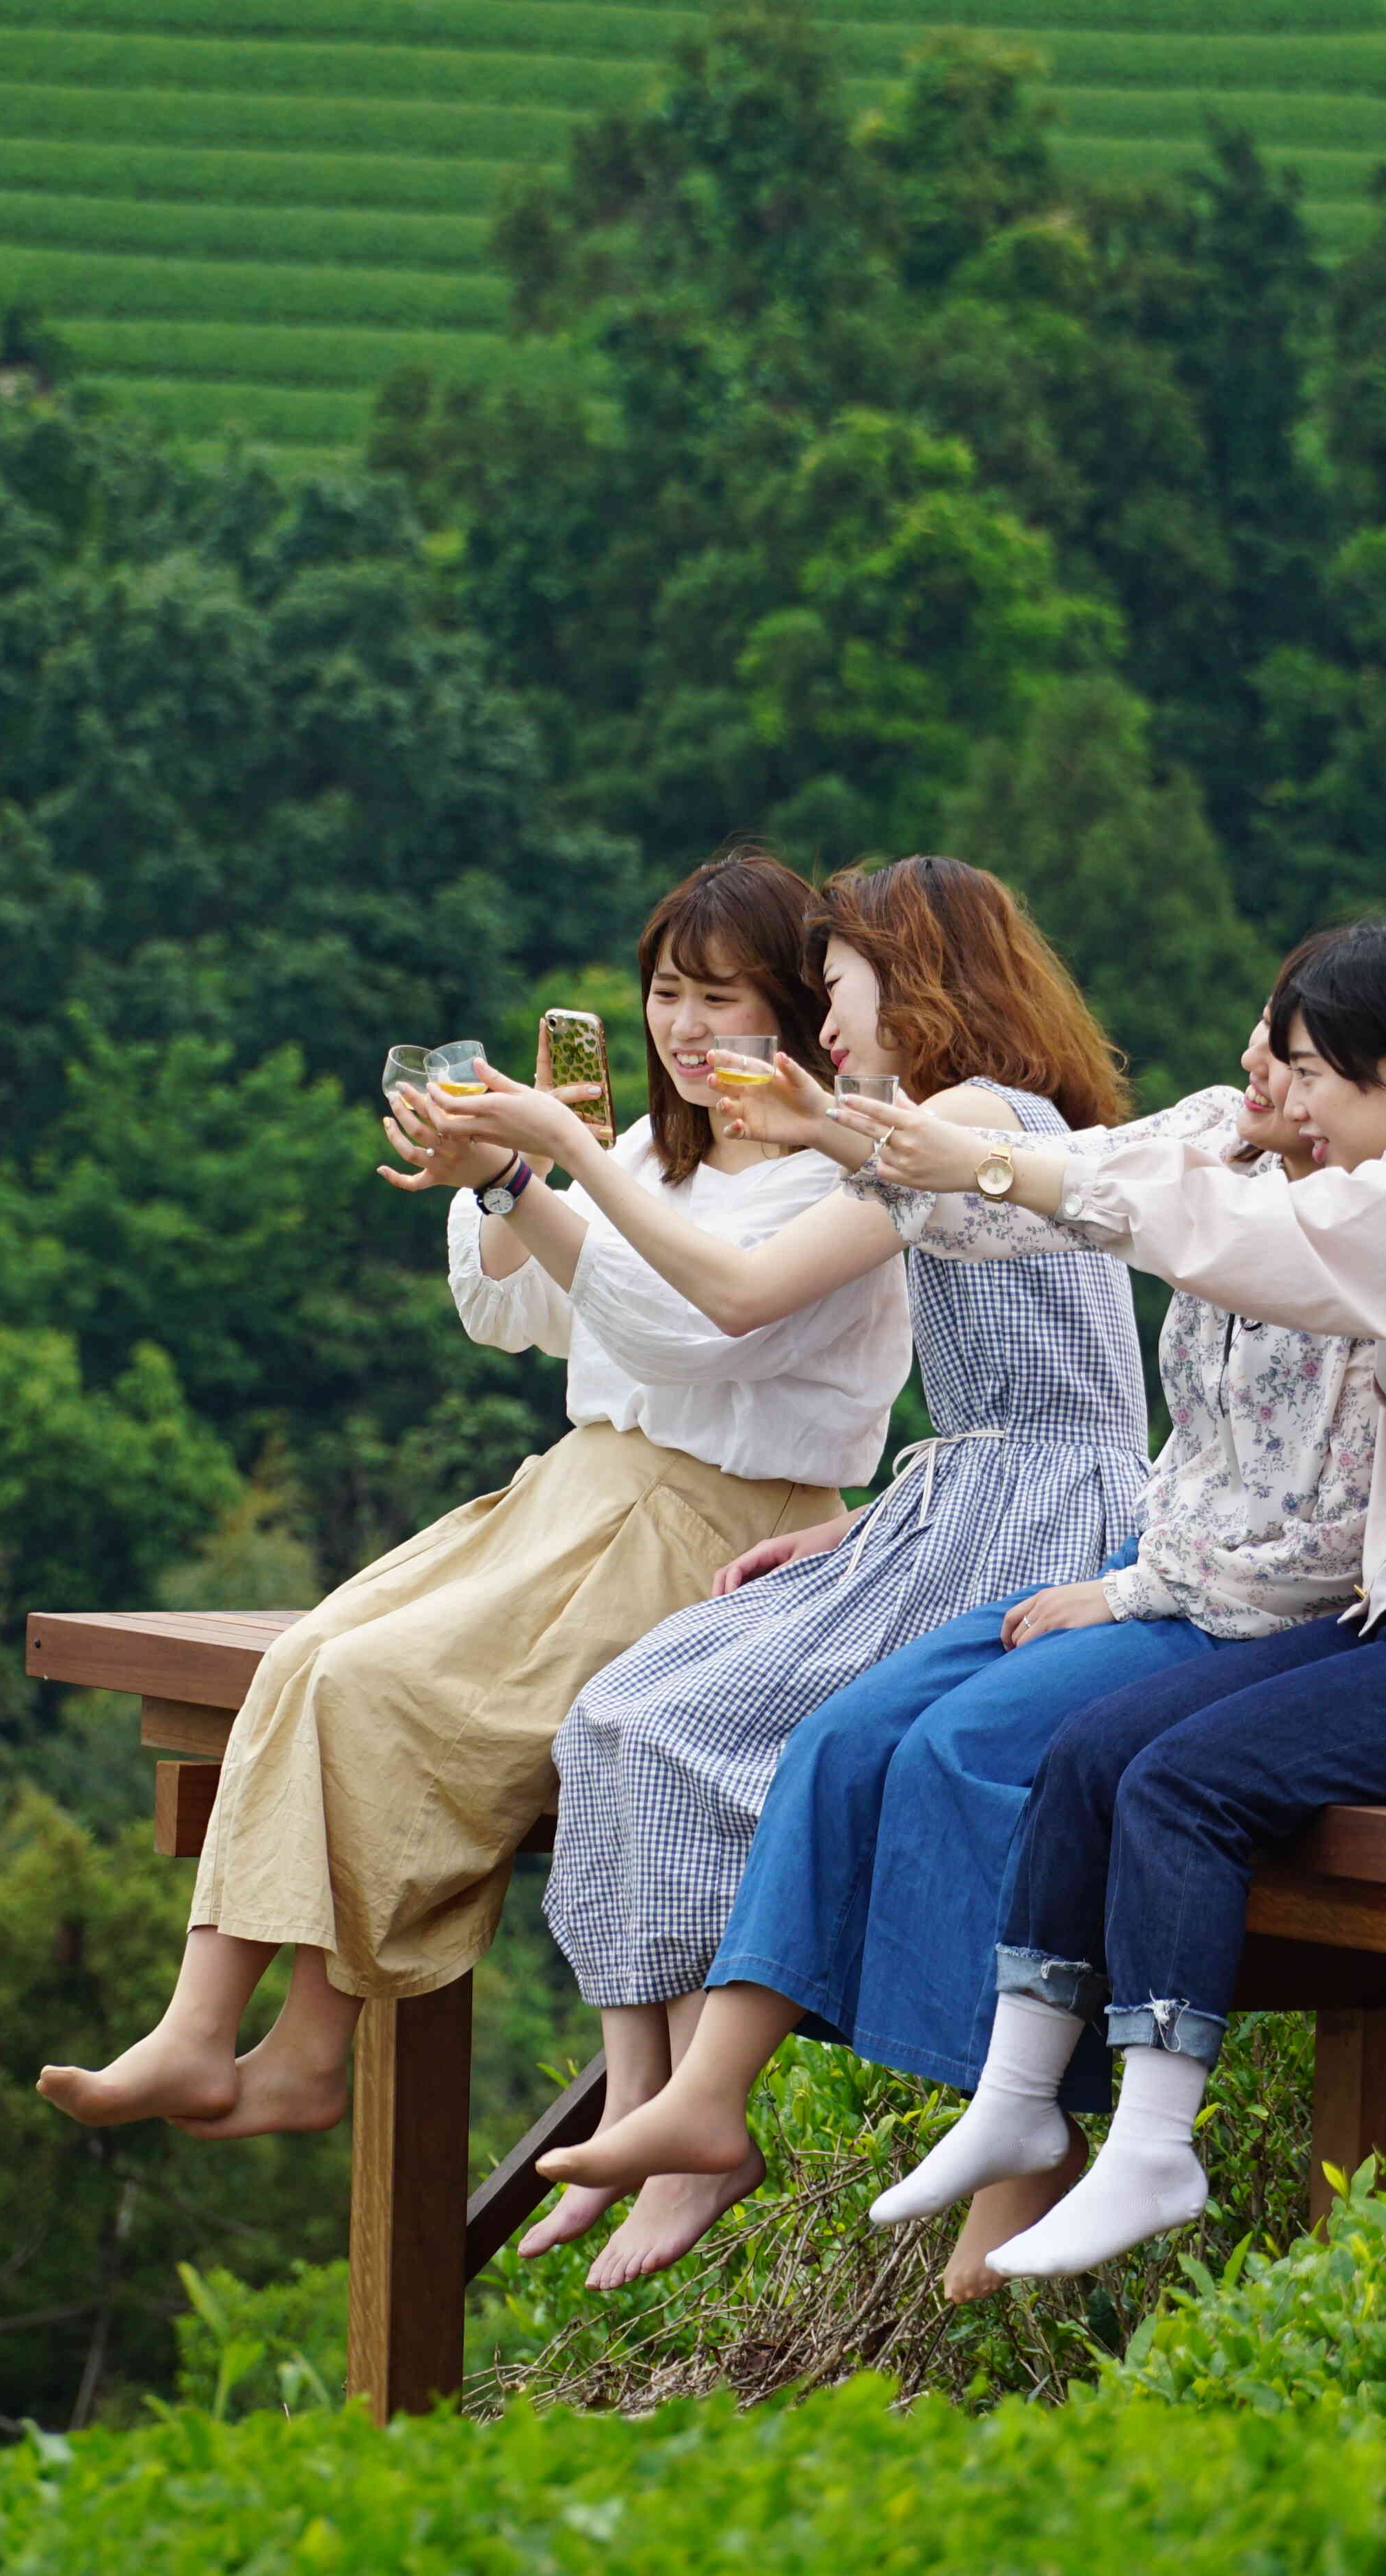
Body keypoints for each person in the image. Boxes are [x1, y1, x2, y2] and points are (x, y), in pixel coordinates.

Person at [841, 913, 1386, 2283]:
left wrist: (1000, 1156)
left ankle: (1152, 2136)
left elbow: (1244, 1240)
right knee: (1094, 1751)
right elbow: (1191, 1175)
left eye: (1311, 1071)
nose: (1287, 1102)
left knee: (1187, 1782)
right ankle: (1015, 2104)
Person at [34, 852, 909, 2144]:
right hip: (580, 1495)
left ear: (793, 1008)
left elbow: (694, 1328)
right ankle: (217, 2033)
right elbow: (522, 1313)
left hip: (722, 1531)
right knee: (312, 1658)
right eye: (668, 991)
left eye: (721, 997)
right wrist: (504, 1178)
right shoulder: (653, 1157)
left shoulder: (826, 1175)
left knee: (380, 1687)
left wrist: (540, 1172)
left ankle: (293, 2053)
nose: (683, 1025)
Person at [419, 856, 1146, 2285]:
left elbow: (740, 1293)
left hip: (1043, 1510)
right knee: (618, 1706)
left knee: (705, 1719)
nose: (826, 1026)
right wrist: (536, 1171)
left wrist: (555, 1160)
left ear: (915, 983)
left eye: (837, 992)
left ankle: (721, 2112)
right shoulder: (946, 1120)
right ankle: (652, 2103)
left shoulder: (972, 1120)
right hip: (970, 1489)